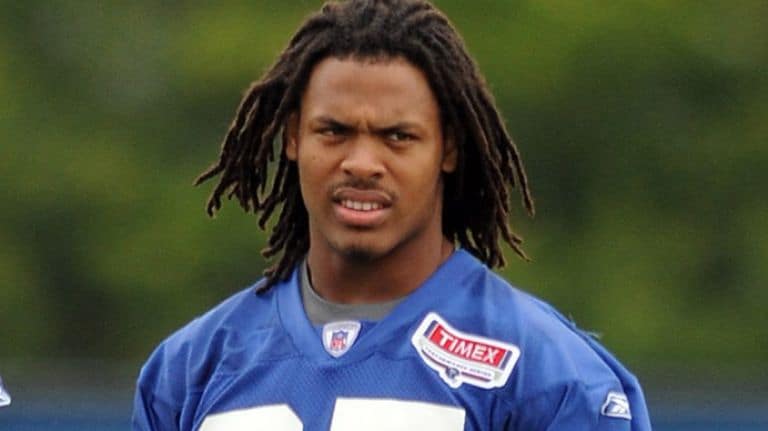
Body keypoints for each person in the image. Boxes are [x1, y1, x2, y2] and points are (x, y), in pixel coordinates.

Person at [132, 0, 651, 429]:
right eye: (333, 131)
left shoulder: (548, 376)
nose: (361, 163)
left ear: (448, 148)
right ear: (292, 137)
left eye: (398, 137)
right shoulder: (189, 371)